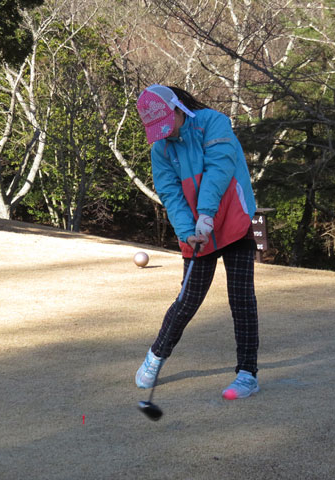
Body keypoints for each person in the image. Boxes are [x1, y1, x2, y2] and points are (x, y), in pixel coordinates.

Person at [134, 84, 259, 400]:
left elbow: (220, 169)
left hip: (234, 218)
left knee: (241, 297)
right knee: (188, 298)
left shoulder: (213, 122)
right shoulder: (161, 149)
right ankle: (156, 356)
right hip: (196, 230)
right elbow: (170, 193)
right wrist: (187, 230)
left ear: (178, 109)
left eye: (167, 123)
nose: (165, 133)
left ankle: (247, 374)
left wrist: (206, 214)